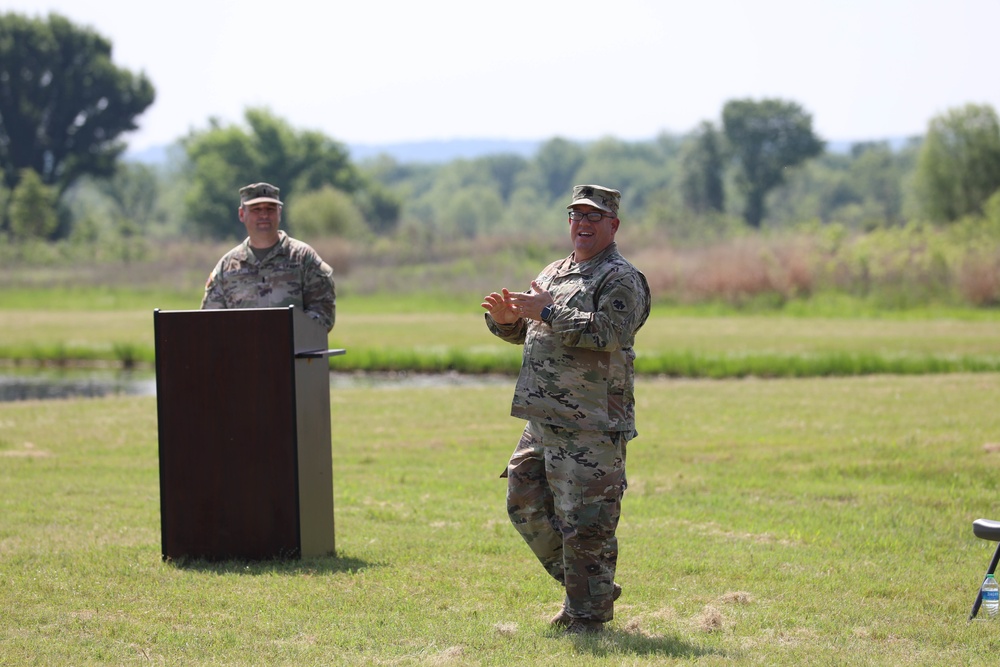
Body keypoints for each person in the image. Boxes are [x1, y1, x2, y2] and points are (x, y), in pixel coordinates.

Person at [481, 184, 651, 634]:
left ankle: (586, 614)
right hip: (543, 419)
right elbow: (533, 330)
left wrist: (549, 311)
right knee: (523, 501)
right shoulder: (555, 271)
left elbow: (610, 332)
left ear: (613, 225)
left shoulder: (622, 278)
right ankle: (589, 590)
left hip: (592, 422)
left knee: (586, 524)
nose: (583, 223)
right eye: (577, 215)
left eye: (594, 217)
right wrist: (508, 322)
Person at [201, 182, 336, 332]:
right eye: (256, 209)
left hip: (292, 353)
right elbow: (209, 322)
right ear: (241, 214)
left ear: (279, 212)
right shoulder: (227, 266)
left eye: (270, 209)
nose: (264, 215)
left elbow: (324, 314)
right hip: (243, 354)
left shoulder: (304, 258)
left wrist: (281, 333)